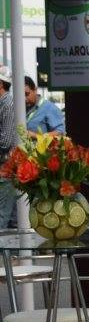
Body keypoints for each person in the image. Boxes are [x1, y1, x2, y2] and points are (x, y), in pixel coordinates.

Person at [0, 74, 18, 229]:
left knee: (3, 216)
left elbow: (6, 141)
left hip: (5, 167)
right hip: (4, 167)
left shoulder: (7, 104)